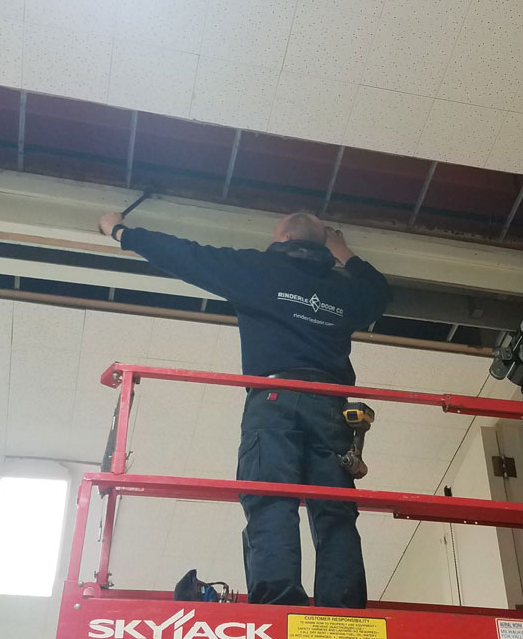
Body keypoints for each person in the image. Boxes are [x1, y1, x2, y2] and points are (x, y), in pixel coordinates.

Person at [97, 208, 391, 609]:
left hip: (274, 401)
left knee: (271, 501)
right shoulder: (344, 290)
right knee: (335, 510)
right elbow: (379, 292)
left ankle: (278, 606)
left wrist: (120, 231)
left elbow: (186, 255)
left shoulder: (257, 270)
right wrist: (343, 251)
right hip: (330, 406)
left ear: (283, 238)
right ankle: (344, 609)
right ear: (323, 244)